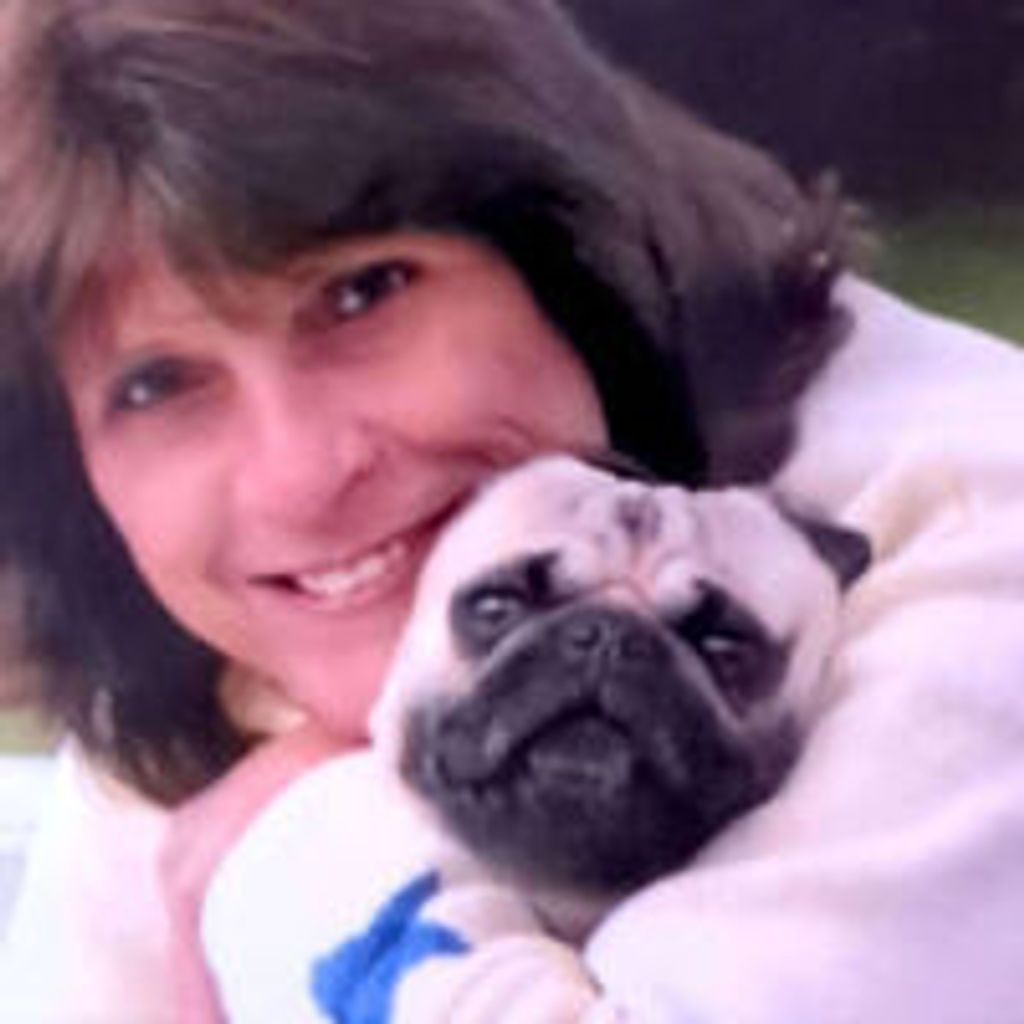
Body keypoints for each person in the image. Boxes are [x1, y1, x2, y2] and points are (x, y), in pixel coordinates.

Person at [2, 0, 1024, 1021]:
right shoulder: (215, 670)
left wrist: (302, 858)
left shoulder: (967, 528)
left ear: (568, 255)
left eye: (363, 294)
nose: (300, 474)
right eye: (155, 385)